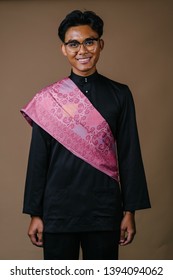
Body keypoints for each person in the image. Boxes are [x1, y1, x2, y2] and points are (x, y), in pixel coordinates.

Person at [21, 10, 151, 260]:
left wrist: (130, 211)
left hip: (104, 210)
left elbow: (129, 153)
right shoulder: (48, 99)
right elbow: (38, 159)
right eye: (74, 43)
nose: (82, 50)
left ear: (100, 44)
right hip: (57, 211)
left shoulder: (120, 94)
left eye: (89, 41)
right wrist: (35, 214)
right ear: (64, 49)